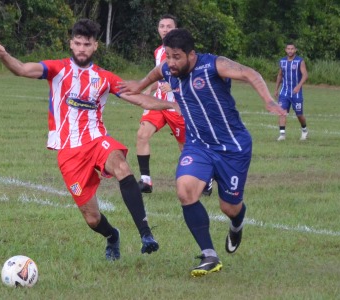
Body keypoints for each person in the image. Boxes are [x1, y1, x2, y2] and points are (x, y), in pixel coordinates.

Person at [0, 19, 179, 260]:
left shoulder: (105, 77)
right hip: (68, 152)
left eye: (86, 44)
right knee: (92, 218)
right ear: (71, 44)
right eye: (77, 43)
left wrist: (171, 105)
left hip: (97, 140)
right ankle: (112, 236)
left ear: (95, 46)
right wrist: (4, 55)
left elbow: (139, 99)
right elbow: (22, 69)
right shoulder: (57, 69)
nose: (81, 48)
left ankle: (146, 234)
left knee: (121, 165)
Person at [118, 28, 286, 277]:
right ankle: (209, 254)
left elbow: (250, 73)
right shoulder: (167, 68)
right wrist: (140, 84)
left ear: (191, 55)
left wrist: (268, 100)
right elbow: (156, 72)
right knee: (185, 190)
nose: (171, 63)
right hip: (198, 146)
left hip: (233, 148)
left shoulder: (213, 65)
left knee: (229, 207)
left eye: (176, 57)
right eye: (168, 56)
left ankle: (237, 222)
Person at [135, 14, 213, 196]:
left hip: (177, 106)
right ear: (158, 29)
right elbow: (160, 74)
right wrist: (149, 88)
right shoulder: (158, 52)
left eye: (169, 26)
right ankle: (145, 180)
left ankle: (206, 179)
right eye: (162, 26)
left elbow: (193, 77)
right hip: (159, 103)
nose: (165, 29)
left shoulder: (184, 53)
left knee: (186, 148)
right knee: (142, 134)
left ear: (176, 30)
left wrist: (175, 86)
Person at [274, 42, 308, 141]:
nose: (290, 51)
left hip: (296, 93)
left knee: (299, 114)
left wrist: (298, 86)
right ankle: (282, 134)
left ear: (295, 50)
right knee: (282, 112)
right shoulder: (282, 61)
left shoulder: (299, 61)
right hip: (284, 92)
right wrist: (276, 89)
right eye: (288, 49)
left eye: (292, 49)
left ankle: (304, 130)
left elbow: (305, 75)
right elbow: (280, 75)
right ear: (285, 50)